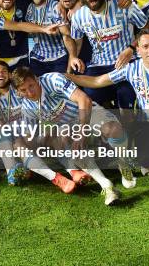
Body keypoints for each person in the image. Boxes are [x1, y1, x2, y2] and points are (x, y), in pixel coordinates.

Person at [66, 28, 149, 190]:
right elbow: (97, 81)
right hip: (147, 123)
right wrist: (67, 77)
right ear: (138, 49)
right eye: (146, 46)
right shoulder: (131, 69)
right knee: (145, 163)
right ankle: (148, 161)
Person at [11, 67, 124, 203]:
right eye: (23, 90)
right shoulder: (27, 108)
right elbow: (30, 138)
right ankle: (106, 186)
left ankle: (125, 162)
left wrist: (82, 131)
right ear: (18, 92)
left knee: (111, 129)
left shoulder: (52, 80)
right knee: (63, 138)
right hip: (68, 128)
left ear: (36, 79)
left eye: (31, 86)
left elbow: (84, 100)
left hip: (89, 112)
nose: (30, 92)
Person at [70, 0, 149, 112]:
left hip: (127, 64)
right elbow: (76, 41)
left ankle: (130, 126)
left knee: (125, 98)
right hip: (98, 66)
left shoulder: (124, 6)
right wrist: (72, 56)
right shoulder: (79, 16)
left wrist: (131, 48)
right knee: (91, 97)